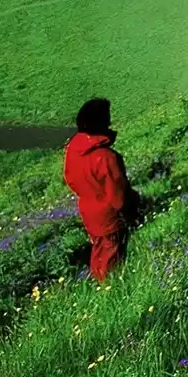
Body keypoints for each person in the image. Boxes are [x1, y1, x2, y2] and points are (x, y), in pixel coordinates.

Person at [63, 97, 134, 282]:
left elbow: (70, 178)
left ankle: (97, 282)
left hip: (87, 208)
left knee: (98, 248)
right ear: (100, 122)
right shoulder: (106, 157)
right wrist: (132, 209)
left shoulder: (73, 148)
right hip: (109, 215)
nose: (110, 121)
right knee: (111, 256)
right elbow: (118, 196)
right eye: (107, 117)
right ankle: (109, 290)